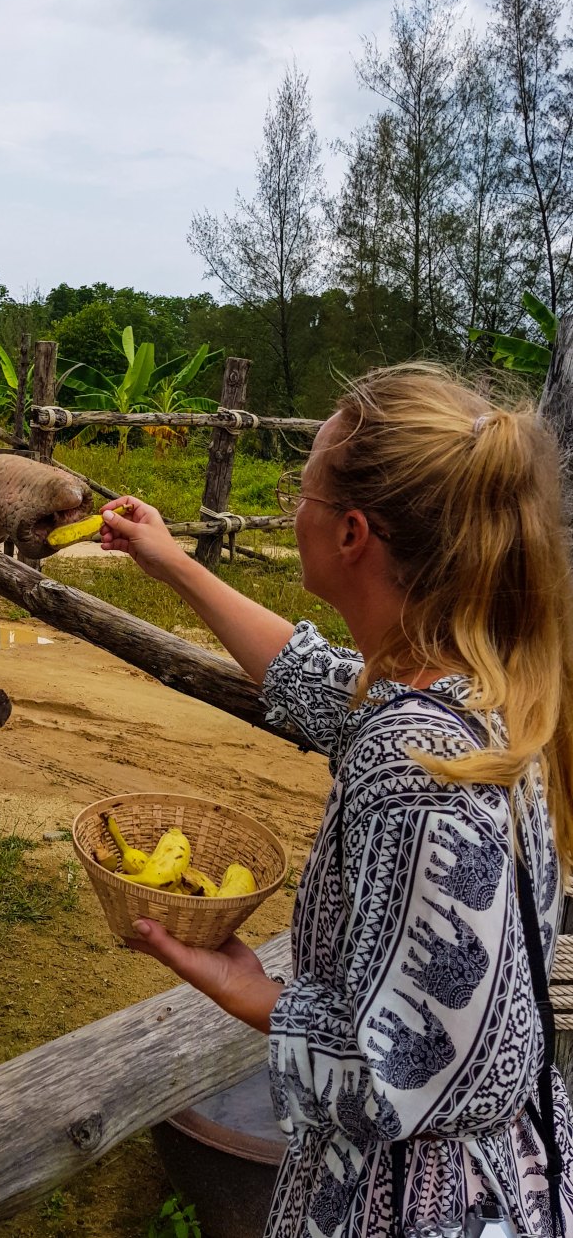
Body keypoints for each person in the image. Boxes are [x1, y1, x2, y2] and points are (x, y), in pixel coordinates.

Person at [98, 364, 573, 1237]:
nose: (290, 505)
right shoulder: (480, 693)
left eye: (301, 486)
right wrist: (173, 565)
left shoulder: (411, 771)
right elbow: (319, 682)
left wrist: (260, 996)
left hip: (411, 1204)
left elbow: (409, 1074)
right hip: (510, 1175)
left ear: (352, 532)